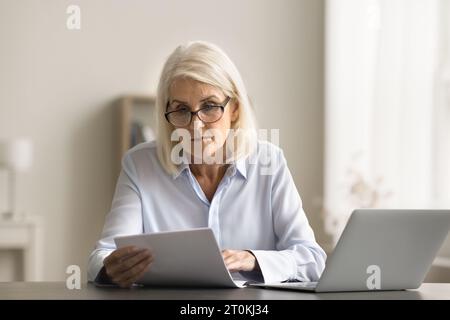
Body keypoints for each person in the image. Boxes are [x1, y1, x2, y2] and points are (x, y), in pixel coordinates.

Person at [87, 40, 326, 288]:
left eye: (210, 106)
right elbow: (101, 257)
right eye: (181, 109)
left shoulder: (269, 162)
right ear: (167, 114)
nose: (196, 126)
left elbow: (312, 260)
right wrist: (110, 270)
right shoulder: (140, 164)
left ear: (234, 109)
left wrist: (253, 259)